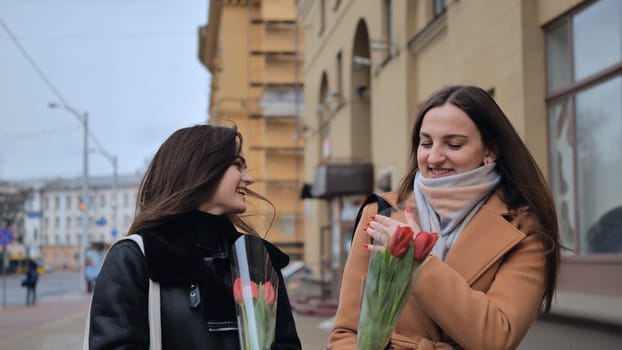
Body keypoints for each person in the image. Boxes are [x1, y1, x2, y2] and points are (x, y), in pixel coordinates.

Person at [329, 85, 562, 349]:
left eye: (453, 144)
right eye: (425, 143)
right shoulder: (382, 212)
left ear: (491, 151)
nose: (434, 157)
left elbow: (497, 337)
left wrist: (419, 262)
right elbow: (345, 334)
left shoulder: (524, 229)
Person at [86, 124, 302, 349]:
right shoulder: (136, 258)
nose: (249, 179)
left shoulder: (257, 260)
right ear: (200, 168)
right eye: (237, 165)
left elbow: (287, 344)